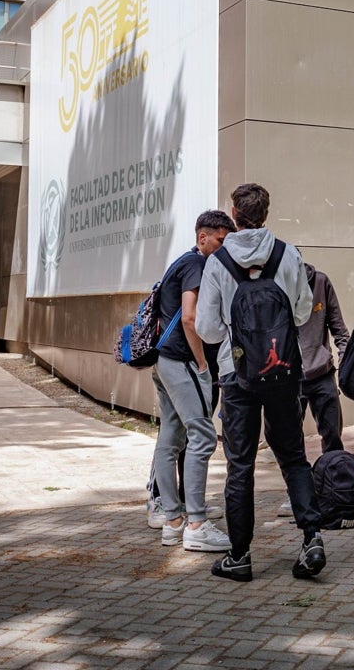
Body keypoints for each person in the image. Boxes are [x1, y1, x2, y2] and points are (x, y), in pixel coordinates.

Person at [197, 183, 325, 582]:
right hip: (284, 371)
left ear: (233, 212)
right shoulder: (288, 254)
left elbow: (207, 328)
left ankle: (239, 555)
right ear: (267, 212)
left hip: (237, 376)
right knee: (293, 457)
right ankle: (312, 539)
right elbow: (303, 313)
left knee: (240, 465)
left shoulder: (217, 261)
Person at [151, 210, 235, 554]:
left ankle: (172, 519)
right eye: (220, 241)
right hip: (183, 361)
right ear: (204, 238)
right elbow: (189, 316)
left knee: (171, 434)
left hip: (163, 360)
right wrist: (202, 362)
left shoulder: (181, 262)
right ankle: (196, 523)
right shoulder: (197, 266)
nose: (223, 248)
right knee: (201, 435)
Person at [277, 263, 350, 516]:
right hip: (289, 376)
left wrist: (346, 358)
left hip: (322, 374)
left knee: (332, 435)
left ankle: (335, 493)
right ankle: (297, 495)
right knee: (292, 440)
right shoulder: (276, 284)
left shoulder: (320, 281)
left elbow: (338, 326)